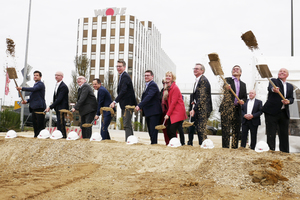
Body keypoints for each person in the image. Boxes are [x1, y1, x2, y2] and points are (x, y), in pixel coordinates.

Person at [262, 68, 294, 153]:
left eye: (284, 72)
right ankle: (271, 151)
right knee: (271, 132)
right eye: (280, 71)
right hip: (271, 112)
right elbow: (270, 88)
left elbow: (292, 98)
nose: (282, 72)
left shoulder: (290, 86)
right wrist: (274, 89)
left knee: (284, 133)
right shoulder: (273, 81)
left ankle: (284, 152)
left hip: (284, 112)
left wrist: (288, 101)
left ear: (287, 75)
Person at [219, 65, 247, 149]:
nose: (235, 70)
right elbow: (223, 87)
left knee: (236, 129)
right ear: (232, 72)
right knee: (226, 129)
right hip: (227, 108)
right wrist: (226, 88)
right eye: (233, 69)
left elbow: (245, 97)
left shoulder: (243, 84)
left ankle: (234, 147)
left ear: (240, 73)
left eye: (237, 69)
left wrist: (243, 101)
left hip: (237, 109)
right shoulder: (227, 80)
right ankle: (225, 147)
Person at [110, 60, 137, 141]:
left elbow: (123, 91)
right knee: (127, 123)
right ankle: (131, 139)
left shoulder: (125, 76)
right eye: (117, 66)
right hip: (125, 105)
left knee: (126, 123)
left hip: (128, 105)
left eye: (120, 66)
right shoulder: (122, 76)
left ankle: (129, 140)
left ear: (124, 67)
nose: (118, 68)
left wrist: (115, 101)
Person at [16, 70, 46, 137]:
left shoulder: (40, 84)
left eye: (37, 75)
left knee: (40, 124)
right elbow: (34, 97)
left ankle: (41, 136)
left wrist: (22, 88)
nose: (35, 76)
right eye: (34, 75)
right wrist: (27, 101)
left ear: (40, 77)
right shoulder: (35, 85)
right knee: (35, 124)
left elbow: (33, 89)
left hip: (39, 107)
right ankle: (36, 135)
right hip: (34, 107)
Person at [135, 70, 162, 144]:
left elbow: (149, 97)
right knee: (150, 130)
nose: (146, 77)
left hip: (154, 112)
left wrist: (140, 105)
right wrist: (142, 108)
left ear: (152, 76)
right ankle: (153, 143)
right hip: (149, 112)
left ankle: (154, 144)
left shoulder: (153, 85)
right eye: (145, 75)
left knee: (153, 130)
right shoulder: (147, 85)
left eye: (148, 75)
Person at [189, 63, 212, 146]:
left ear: (202, 71)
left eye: (197, 69)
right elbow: (198, 96)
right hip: (200, 108)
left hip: (204, 109)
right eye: (194, 68)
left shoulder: (203, 80)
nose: (195, 70)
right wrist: (194, 102)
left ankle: (205, 145)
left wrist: (194, 109)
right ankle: (203, 145)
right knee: (200, 128)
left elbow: (202, 98)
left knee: (201, 128)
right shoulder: (197, 81)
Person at [163, 71, 187, 140]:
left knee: (172, 130)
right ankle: (173, 143)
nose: (168, 77)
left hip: (178, 112)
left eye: (169, 76)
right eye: (167, 75)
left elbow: (173, 102)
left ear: (173, 78)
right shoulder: (167, 88)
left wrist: (168, 114)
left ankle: (175, 144)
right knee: (169, 130)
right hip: (172, 112)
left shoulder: (175, 88)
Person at [45, 71, 69, 138]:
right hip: (58, 107)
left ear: (62, 77)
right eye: (55, 75)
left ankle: (63, 136)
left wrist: (50, 106)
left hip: (62, 108)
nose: (56, 76)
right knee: (59, 123)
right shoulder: (57, 85)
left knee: (61, 123)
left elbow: (59, 99)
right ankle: (60, 135)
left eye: (58, 75)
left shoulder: (63, 86)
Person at [160, 79, 170, 145]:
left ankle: (171, 142)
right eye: (163, 83)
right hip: (162, 112)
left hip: (168, 112)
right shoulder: (161, 91)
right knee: (164, 129)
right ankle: (167, 142)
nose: (164, 84)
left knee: (170, 129)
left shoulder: (170, 90)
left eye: (165, 83)